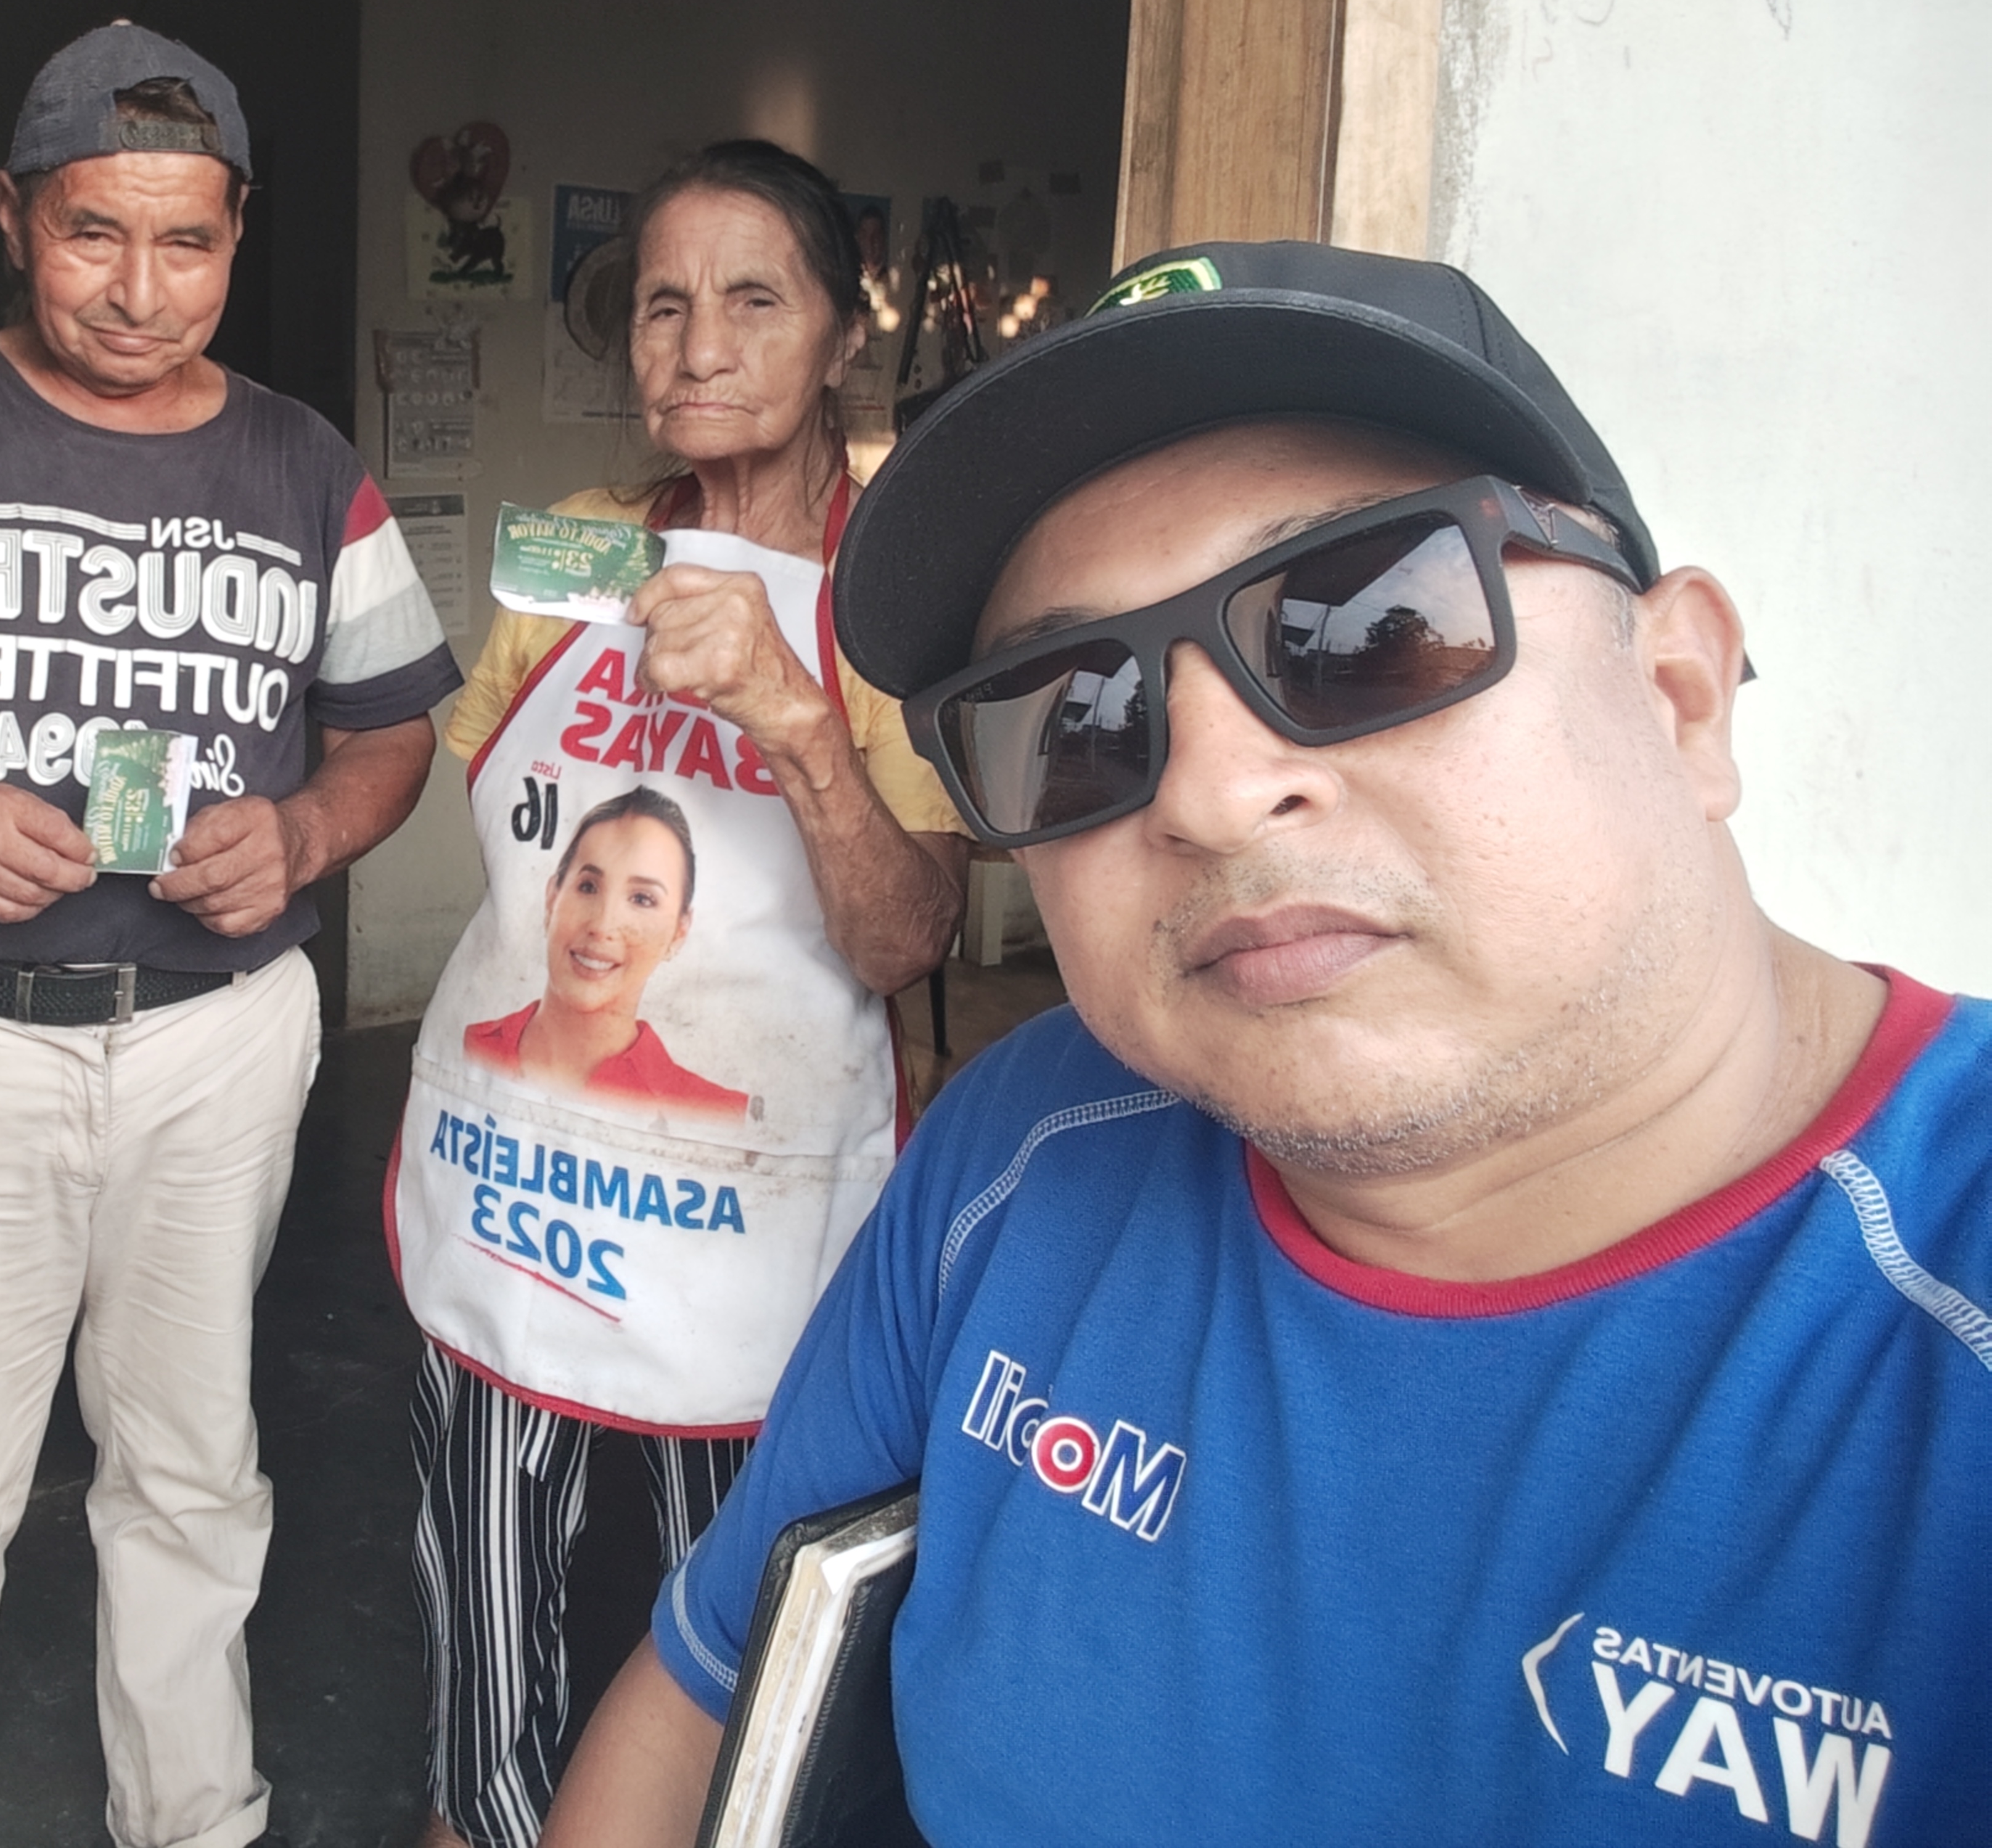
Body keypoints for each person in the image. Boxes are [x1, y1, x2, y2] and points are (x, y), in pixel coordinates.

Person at [546, 241, 1992, 1846]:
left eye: (1364, 628)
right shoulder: (1029, 1146)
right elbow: (707, 1692)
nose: (1213, 792)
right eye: (1073, 717)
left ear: (1680, 692)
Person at [0, 20, 461, 1848]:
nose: (139, 291)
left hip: (214, 1041)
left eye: (186, 243)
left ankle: (192, 1821)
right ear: (11, 216)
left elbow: (392, 727)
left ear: (236, 234)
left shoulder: (306, 467)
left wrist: (303, 830)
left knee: (193, 1473)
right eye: (92, 235)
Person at [388, 141, 970, 1848]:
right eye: (662, 305)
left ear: (843, 335)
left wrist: (791, 715)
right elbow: (502, 825)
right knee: (484, 1634)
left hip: (754, 1225)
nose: (699, 345)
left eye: (752, 299)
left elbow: (905, 939)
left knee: (742, 1650)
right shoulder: (572, 549)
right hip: (521, 1187)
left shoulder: (899, 599)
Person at [462, 786, 747, 1119]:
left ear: (679, 932)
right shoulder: (466, 1044)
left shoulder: (717, 1113)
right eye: (588, 887)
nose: (603, 925)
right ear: (552, 898)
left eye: (642, 899)